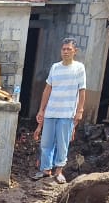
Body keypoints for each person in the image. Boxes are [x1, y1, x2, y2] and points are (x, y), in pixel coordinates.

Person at [35, 37, 88, 183]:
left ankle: (59, 171)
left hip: (67, 113)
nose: (65, 52)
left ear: (74, 51)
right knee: (46, 142)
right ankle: (45, 170)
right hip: (51, 111)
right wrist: (41, 110)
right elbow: (48, 89)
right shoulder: (55, 67)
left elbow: (82, 91)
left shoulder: (79, 68)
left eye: (68, 49)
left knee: (62, 143)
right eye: (63, 49)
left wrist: (80, 110)